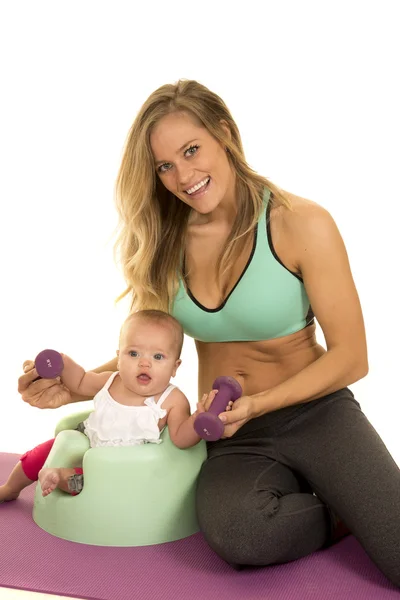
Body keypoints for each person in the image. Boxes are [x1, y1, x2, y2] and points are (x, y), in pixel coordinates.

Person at [16, 80, 400, 587]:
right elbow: (146, 354)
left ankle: (347, 496)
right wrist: (78, 380)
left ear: (225, 134)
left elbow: (353, 358)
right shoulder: (162, 242)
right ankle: (334, 509)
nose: (184, 175)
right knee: (240, 535)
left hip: (316, 413)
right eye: (165, 166)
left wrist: (261, 404)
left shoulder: (300, 222)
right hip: (229, 432)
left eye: (192, 150)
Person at [1, 309, 217, 500]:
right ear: (119, 357)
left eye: (158, 356)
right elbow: (80, 380)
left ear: (175, 367)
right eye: (133, 353)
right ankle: (11, 488)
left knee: (88, 480)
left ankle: (59, 476)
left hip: (122, 466)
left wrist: (198, 420)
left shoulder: (173, 399)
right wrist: (62, 362)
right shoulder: (112, 381)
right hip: (88, 440)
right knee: (42, 452)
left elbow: (180, 438)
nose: (144, 362)